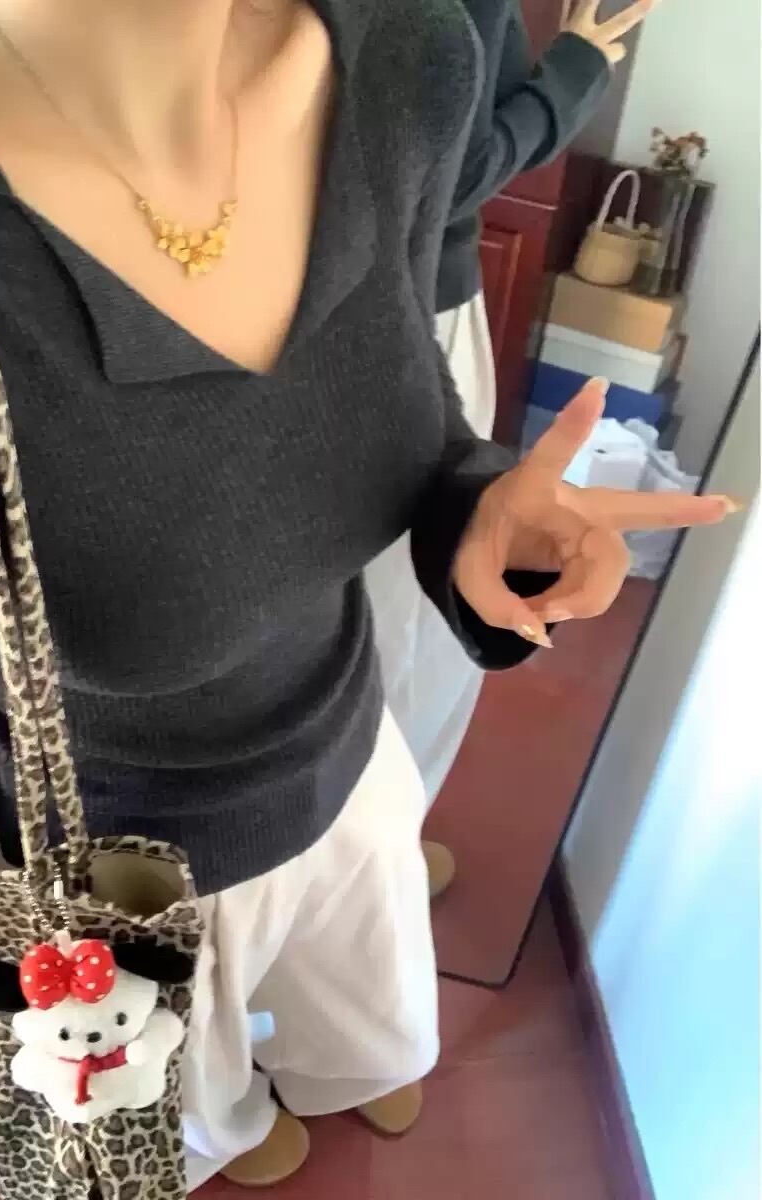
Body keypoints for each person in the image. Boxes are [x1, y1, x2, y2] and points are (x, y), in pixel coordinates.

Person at [0, 0, 734, 1193]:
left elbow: (399, 407)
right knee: (203, 1117)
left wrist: (475, 504)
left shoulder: (406, 55)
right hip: (136, 867)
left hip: (355, 766)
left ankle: (327, 1066)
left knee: (367, 1033)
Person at [368, 0, 654, 898]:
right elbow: (442, 174)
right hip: (405, 304)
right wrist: (571, 77)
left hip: (331, 293)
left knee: (382, 597)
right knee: (410, 606)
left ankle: (363, 850)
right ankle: (374, 853)